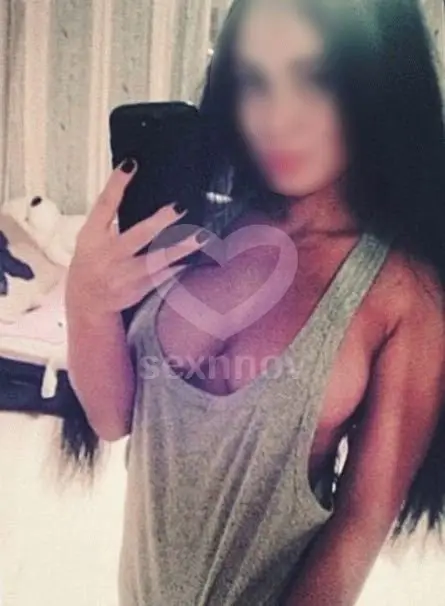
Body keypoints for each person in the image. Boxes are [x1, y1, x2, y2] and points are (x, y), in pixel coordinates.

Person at [65, 0, 445, 604]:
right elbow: (114, 419)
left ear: (377, 89)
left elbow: (359, 524)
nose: (276, 117)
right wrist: (85, 304)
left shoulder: (403, 294)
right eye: (255, 81)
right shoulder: (200, 225)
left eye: (315, 78)